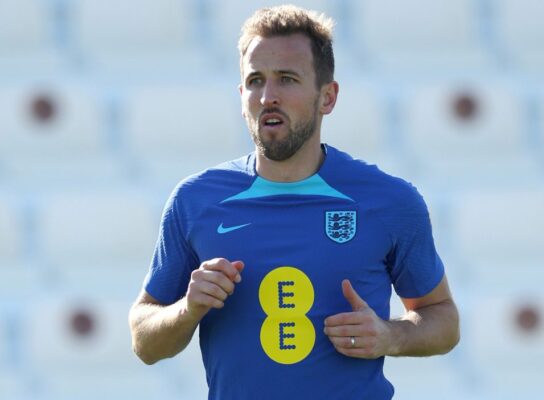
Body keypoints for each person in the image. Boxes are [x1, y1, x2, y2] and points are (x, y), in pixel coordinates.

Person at [129, 5, 460, 400]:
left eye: (287, 79)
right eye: (255, 81)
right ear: (241, 96)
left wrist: (391, 336)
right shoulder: (195, 200)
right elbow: (144, 341)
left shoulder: (390, 201)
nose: (268, 96)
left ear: (327, 97)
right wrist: (187, 309)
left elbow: (443, 319)